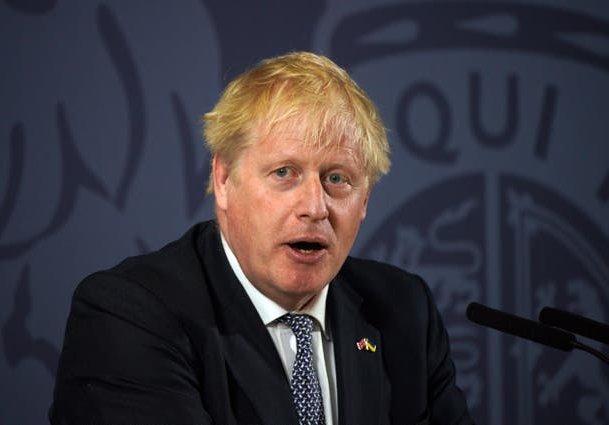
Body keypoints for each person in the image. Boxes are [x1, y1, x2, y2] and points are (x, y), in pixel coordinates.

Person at [50, 51, 473, 425]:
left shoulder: (403, 311)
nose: (315, 206)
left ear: (365, 201)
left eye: (337, 179)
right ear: (224, 179)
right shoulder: (129, 316)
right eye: (284, 173)